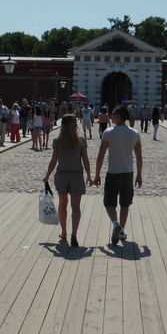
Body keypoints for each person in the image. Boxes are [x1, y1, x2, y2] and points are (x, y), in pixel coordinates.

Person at [93, 106, 142, 246]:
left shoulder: (108, 132)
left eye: (113, 114)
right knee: (125, 203)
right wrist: (139, 175)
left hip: (113, 172)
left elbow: (101, 155)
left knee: (109, 202)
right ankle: (122, 230)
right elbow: (139, 157)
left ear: (119, 116)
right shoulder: (134, 133)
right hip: (128, 173)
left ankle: (115, 225)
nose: (111, 116)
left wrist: (97, 174)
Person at [42, 114, 93, 248]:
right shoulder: (81, 141)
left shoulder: (58, 141)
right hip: (76, 175)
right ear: (74, 125)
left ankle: (64, 232)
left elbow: (54, 161)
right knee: (76, 207)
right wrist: (89, 175)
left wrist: (47, 175)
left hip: (62, 175)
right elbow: (85, 160)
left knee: (62, 204)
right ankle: (74, 233)